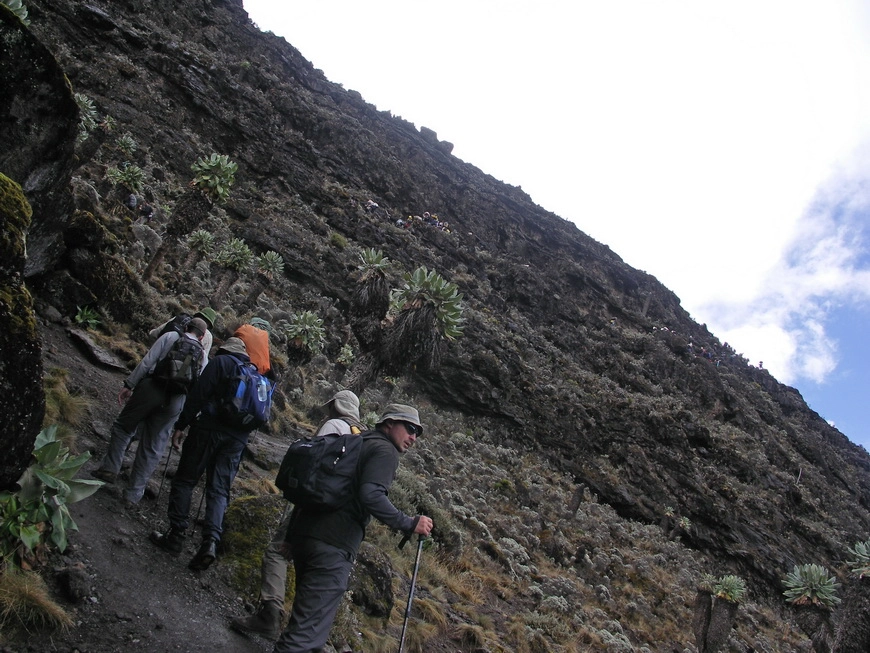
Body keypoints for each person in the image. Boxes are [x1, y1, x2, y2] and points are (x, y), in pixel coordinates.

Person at [272, 404, 434, 652]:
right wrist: (409, 523)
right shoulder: (385, 451)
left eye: (418, 433)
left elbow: (315, 489)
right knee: (305, 636)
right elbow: (371, 495)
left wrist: (291, 538)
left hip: (307, 537)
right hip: (333, 547)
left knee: (308, 625)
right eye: (410, 428)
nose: (413, 437)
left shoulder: (355, 441)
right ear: (389, 423)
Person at [230, 390, 366, 639]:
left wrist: (295, 515)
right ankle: (303, 631)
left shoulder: (333, 425)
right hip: (337, 516)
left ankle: (270, 614)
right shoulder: (362, 439)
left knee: (277, 551)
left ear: (336, 407)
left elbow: (312, 468)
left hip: (312, 503)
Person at [148, 337, 261, 570]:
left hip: (209, 430)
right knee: (219, 489)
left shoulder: (220, 363)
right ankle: (210, 542)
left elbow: (198, 394)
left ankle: (176, 534)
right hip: (237, 440)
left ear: (224, 350)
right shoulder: (254, 374)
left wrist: (181, 424)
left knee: (186, 479)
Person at [92, 318, 208, 507]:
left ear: (186, 327)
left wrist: (130, 384)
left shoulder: (170, 336)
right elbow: (197, 385)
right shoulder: (202, 355)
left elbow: (147, 362)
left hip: (152, 387)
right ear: (202, 336)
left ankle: (109, 469)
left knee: (123, 427)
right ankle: (133, 495)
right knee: (153, 446)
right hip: (175, 400)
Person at [149, 307, 217, 359]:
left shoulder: (182, 319)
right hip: (180, 372)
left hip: (158, 362)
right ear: (209, 325)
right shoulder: (208, 336)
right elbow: (202, 359)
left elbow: (154, 334)